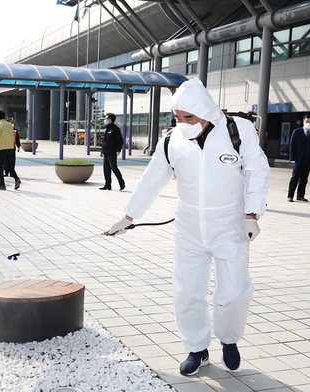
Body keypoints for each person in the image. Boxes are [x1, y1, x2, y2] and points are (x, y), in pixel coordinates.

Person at [106, 78, 270, 376]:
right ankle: (197, 348)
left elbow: (257, 169)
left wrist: (252, 214)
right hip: (189, 225)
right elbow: (152, 179)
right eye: (178, 117)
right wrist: (128, 217)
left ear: (205, 111)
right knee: (187, 289)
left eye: (188, 117)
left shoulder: (237, 131)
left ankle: (229, 340)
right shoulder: (172, 140)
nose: (183, 123)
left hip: (230, 224)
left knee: (233, 290)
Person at [287, 115, 310, 202]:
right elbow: (292, 145)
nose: (308, 123)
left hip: (308, 159)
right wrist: (292, 158)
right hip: (298, 159)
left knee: (304, 178)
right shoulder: (297, 132)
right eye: (307, 121)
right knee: (295, 178)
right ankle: (290, 195)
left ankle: (300, 196)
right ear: (303, 122)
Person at [0, 110, 21, 191]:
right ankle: (17, 179)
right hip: (10, 149)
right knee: (10, 167)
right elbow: (13, 137)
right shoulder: (9, 125)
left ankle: (2, 185)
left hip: (1, 149)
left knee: (0, 168)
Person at [99, 112, 125, 191]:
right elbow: (105, 141)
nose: (105, 120)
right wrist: (102, 151)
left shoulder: (115, 129)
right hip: (106, 152)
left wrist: (118, 150)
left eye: (106, 119)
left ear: (110, 120)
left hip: (112, 152)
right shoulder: (107, 128)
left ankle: (121, 183)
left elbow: (120, 140)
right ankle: (107, 185)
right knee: (106, 169)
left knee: (114, 168)